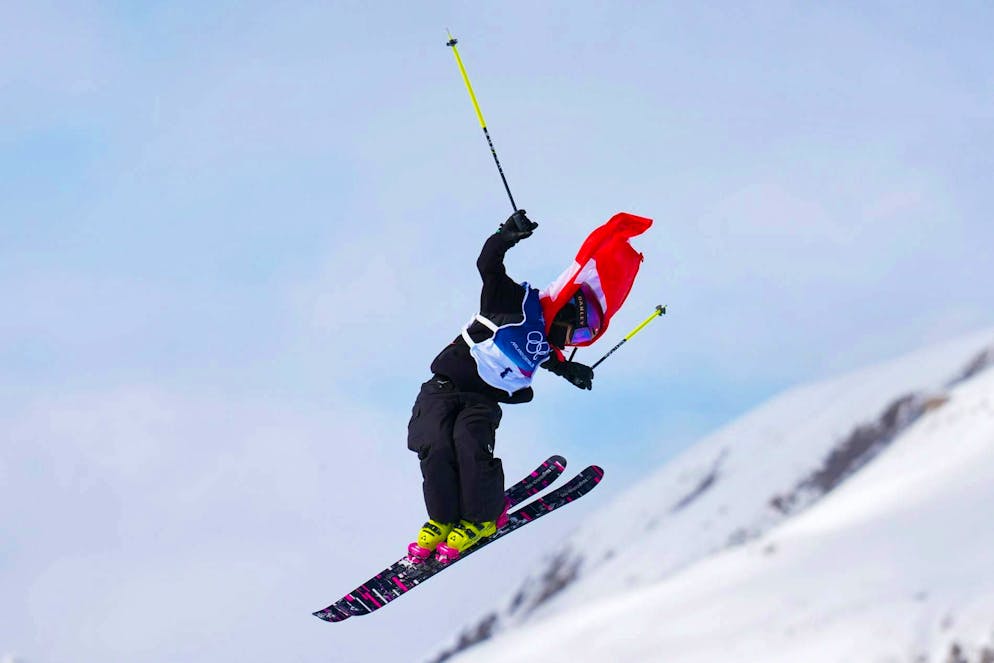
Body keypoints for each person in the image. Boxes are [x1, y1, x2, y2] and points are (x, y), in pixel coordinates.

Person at [406, 210, 600, 563]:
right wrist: (506, 235)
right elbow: (488, 264)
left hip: (481, 401)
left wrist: (568, 371)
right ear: (564, 315)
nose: (579, 340)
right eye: (581, 331)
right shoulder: (511, 302)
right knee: (434, 443)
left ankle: (480, 518)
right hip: (444, 386)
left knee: (468, 442)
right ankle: (443, 519)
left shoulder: (542, 345)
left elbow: (547, 360)